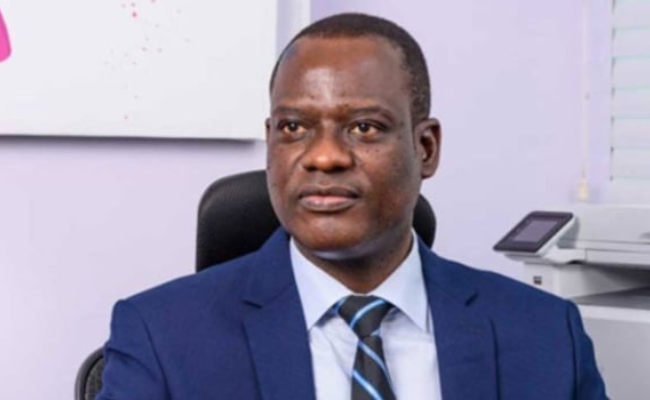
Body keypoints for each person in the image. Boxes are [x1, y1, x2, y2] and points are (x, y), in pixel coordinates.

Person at [97, 13, 607, 400]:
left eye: (364, 127)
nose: (324, 156)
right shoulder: (162, 337)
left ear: (426, 148)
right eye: (294, 127)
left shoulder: (545, 335)